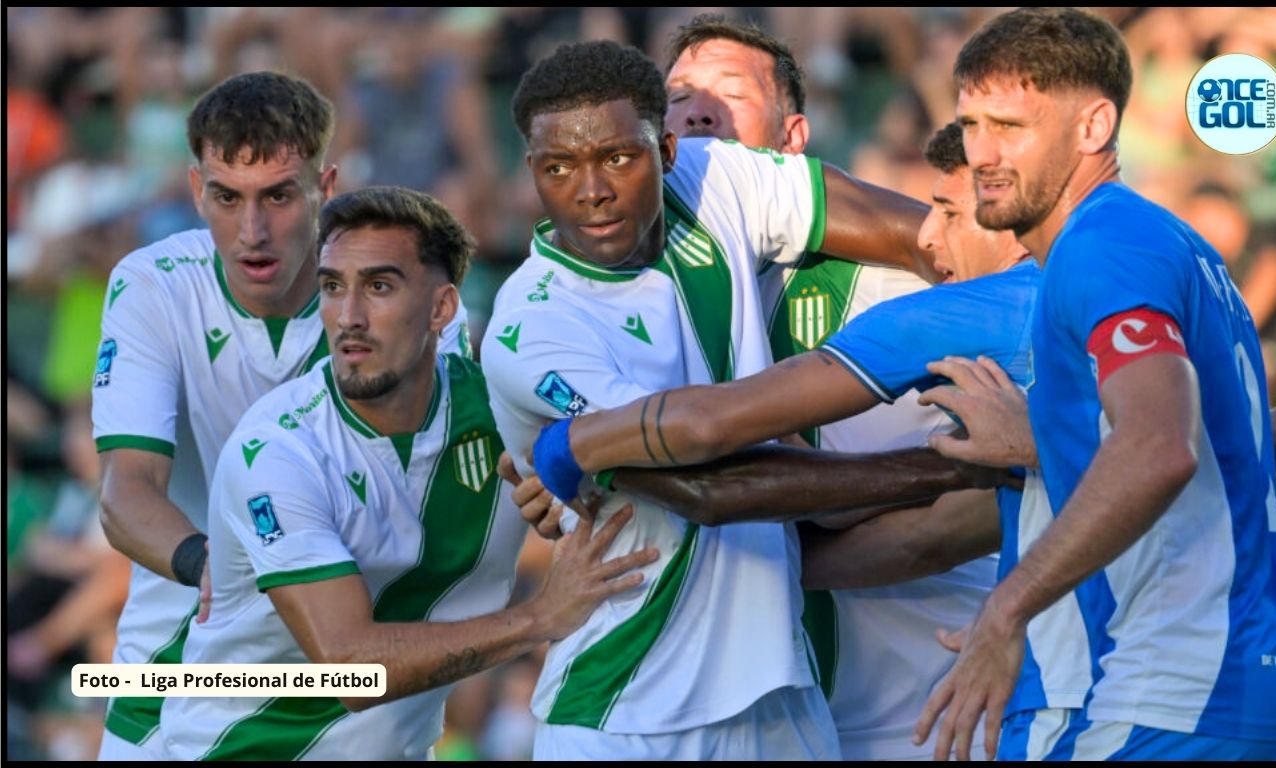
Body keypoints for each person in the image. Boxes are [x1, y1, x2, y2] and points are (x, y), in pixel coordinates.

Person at [482, 39, 941, 760]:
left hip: (783, 702)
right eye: (558, 167)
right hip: (629, 711)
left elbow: (928, 238)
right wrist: (951, 472)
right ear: (531, 172)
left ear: (664, 150)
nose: (590, 189)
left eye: (617, 158)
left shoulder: (715, 178)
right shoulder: (531, 326)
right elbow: (710, 485)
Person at [909, 7, 1276, 760]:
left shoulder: (1100, 246)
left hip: (1183, 686)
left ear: (1093, 125)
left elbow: (1158, 447)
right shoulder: (1170, 238)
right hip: (1274, 675)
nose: (981, 153)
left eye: (1010, 125)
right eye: (972, 124)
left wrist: (1005, 610)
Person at [158, 186, 655, 760]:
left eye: (378, 286)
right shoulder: (275, 450)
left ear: (442, 309)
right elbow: (347, 664)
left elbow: (629, 442)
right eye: (331, 288)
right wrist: (538, 617)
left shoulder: (503, 410)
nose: (348, 318)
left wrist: (563, 488)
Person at [91, 71, 468, 759]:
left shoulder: (405, 297)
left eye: (279, 196)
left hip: (348, 660)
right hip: (181, 651)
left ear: (326, 189)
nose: (253, 230)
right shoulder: (150, 286)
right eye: (228, 198)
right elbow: (125, 493)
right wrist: (218, 565)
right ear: (196, 190)